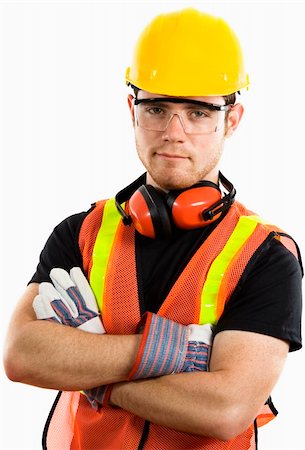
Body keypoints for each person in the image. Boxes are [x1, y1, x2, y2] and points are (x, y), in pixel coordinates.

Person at [3, 7, 302, 450]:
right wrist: (180, 352)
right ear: (132, 110)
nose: (173, 132)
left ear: (231, 120)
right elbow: (22, 356)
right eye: (157, 108)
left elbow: (224, 410)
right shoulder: (80, 233)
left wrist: (94, 372)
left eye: (199, 113)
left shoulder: (265, 255)